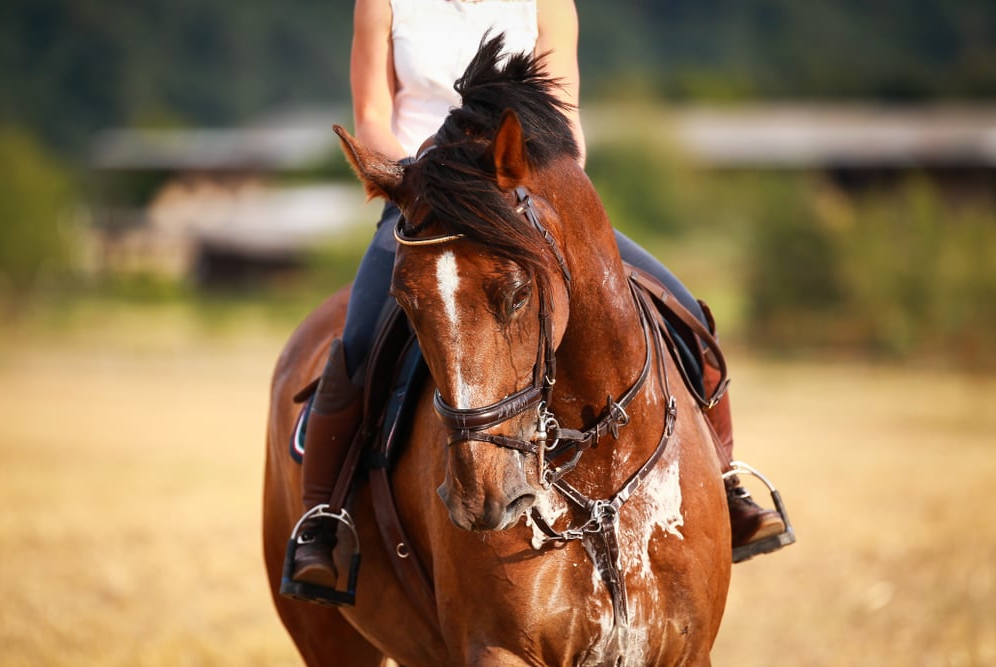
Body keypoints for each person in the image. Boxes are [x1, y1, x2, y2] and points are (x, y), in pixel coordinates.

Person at [285, 0, 786, 601]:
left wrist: (545, 187)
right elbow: (371, 116)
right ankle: (324, 519)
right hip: (426, 202)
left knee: (683, 311)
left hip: (523, 201)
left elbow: (564, 119)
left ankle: (726, 483)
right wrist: (432, 181)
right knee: (358, 343)